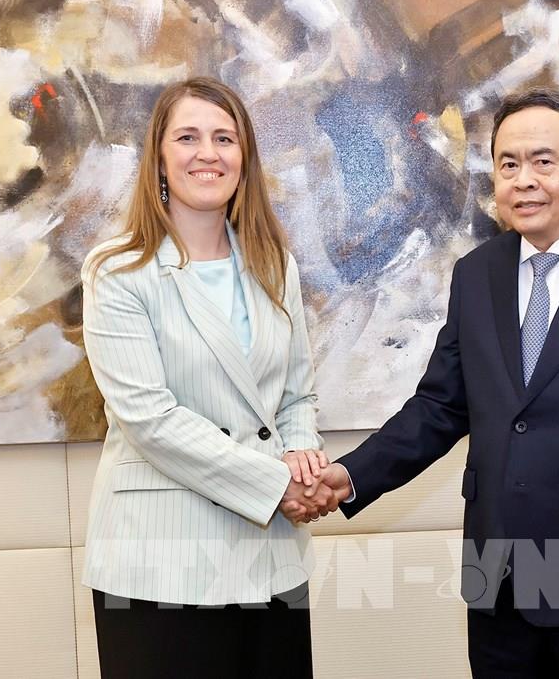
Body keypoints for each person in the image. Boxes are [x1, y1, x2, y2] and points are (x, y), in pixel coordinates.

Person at [313, 88, 559, 677]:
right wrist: (349, 476)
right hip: (495, 583)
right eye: (508, 164)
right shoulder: (477, 274)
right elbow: (439, 406)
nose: (524, 180)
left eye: (543, 161)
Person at [80, 77, 337, 679]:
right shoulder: (117, 271)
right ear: (159, 157)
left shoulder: (275, 263)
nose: (208, 153)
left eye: (225, 138)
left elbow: (296, 393)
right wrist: (278, 485)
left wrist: (302, 456)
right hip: (159, 562)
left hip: (269, 561)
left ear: (244, 158)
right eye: (188, 137)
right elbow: (151, 420)